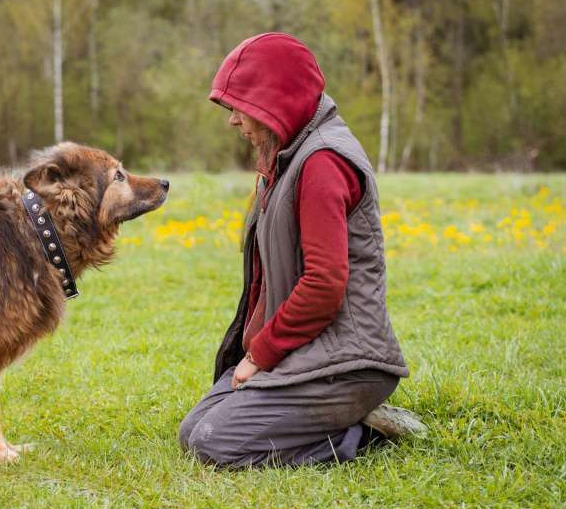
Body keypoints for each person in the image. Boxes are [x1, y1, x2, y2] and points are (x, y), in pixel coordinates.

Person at [178, 32, 426, 468]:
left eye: (239, 107)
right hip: (307, 350)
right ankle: (330, 419)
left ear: (274, 102)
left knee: (215, 444)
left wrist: (260, 355)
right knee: (193, 430)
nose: (233, 120)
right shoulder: (288, 158)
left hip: (347, 363)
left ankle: (358, 430)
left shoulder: (323, 163)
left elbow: (324, 285)